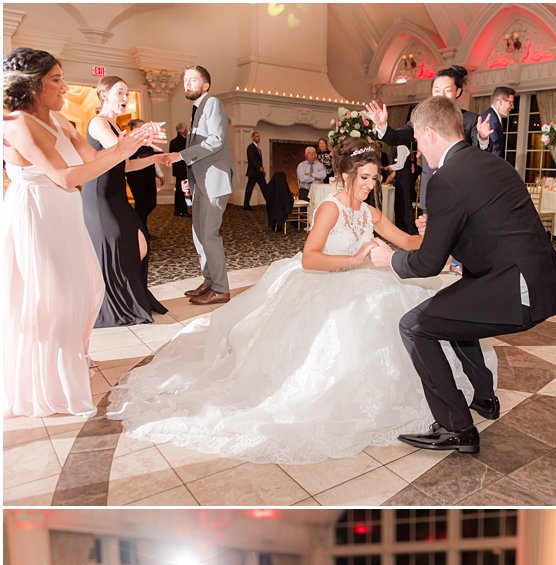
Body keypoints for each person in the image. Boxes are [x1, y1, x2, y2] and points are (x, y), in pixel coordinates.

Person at [108, 137, 494, 463]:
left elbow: (408, 242)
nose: (369, 185)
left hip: (369, 282)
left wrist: (432, 230)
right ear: (346, 175)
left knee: (400, 309)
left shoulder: (373, 213)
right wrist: (353, 261)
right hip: (328, 281)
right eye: (363, 178)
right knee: (353, 324)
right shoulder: (330, 208)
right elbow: (310, 258)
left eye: (374, 179)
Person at [381, 97, 556, 453]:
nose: (419, 151)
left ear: (428, 134)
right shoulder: (491, 164)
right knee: (453, 314)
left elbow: (427, 264)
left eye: (418, 142)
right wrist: (440, 229)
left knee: (415, 325)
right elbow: (489, 224)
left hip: (514, 288)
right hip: (534, 279)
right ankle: (484, 396)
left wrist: (389, 258)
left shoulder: (445, 179)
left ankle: (458, 429)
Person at [2, 48, 163, 418]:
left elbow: (94, 163)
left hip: (64, 211)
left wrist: (132, 142)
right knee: (50, 298)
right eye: (56, 79)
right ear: (32, 83)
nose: (65, 86)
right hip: (36, 212)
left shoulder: (61, 122)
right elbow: (65, 177)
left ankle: (71, 362)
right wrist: (125, 145)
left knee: (88, 289)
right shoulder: (16, 123)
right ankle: (43, 385)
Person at [82, 75, 170, 328]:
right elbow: (120, 152)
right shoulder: (99, 123)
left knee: (139, 242)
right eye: (119, 92)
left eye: (127, 93)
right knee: (119, 246)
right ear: (104, 95)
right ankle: (114, 303)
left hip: (116, 195)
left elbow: (126, 164)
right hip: (100, 196)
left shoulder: (116, 128)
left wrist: (156, 159)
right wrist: (142, 134)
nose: (125, 98)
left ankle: (129, 298)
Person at [366, 65, 485, 215]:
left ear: (458, 92)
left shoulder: (470, 120)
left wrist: (483, 137)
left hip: (460, 192)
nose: (441, 95)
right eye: (436, 90)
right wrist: (383, 126)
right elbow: (398, 137)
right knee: (428, 235)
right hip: (431, 191)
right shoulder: (421, 118)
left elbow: (479, 153)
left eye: (447, 90)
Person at [179, 65, 234, 306]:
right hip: (201, 182)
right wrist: (189, 181)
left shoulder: (212, 103)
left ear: (206, 85)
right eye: (185, 80)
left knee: (209, 236)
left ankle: (221, 289)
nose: (187, 83)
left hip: (213, 182)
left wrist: (180, 155)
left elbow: (216, 141)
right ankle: (210, 281)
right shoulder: (197, 109)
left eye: (192, 79)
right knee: (199, 235)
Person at [124, 118, 160, 237]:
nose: (146, 129)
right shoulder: (129, 140)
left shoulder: (148, 141)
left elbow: (152, 158)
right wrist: (139, 156)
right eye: (142, 127)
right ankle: (142, 232)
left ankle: (136, 225)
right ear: (134, 129)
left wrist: (158, 174)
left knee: (151, 203)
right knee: (141, 204)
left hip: (149, 174)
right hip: (136, 176)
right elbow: (127, 157)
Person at [477, 86, 515, 159]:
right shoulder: (491, 119)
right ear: (500, 102)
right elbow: (494, 149)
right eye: (510, 103)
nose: (512, 107)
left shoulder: (494, 117)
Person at [169, 121, 189, 216]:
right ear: (184, 130)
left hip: (177, 170)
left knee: (178, 189)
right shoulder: (186, 142)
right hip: (184, 170)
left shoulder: (172, 142)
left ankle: (177, 209)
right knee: (183, 190)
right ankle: (182, 210)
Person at [244, 129, 267, 209]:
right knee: (249, 188)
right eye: (257, 136)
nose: (258, 138)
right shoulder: (250, 147)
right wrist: (259, 168)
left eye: (259, 136)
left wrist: (261, 169)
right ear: (253, 137)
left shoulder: (258, 149)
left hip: (259, 173)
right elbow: (251, 160)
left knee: (265, 188)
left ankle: (270, 203)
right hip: (253, 172)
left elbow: (258, 161)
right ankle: (246, 205)